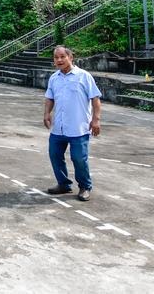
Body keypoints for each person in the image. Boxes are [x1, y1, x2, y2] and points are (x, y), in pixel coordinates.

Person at [43, 45, 102, 202]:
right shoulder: (54, 78)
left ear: (71, 57)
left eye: (63, 56)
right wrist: (47, 113)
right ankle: (63, 184)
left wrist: (96, 120)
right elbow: (50, 97)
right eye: (56, 57)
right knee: (55, 155)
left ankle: (85, 186)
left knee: (78, 158)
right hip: (59, 128)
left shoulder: (84, 76)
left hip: (79, 127)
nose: (59, 60)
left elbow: (95, 99)